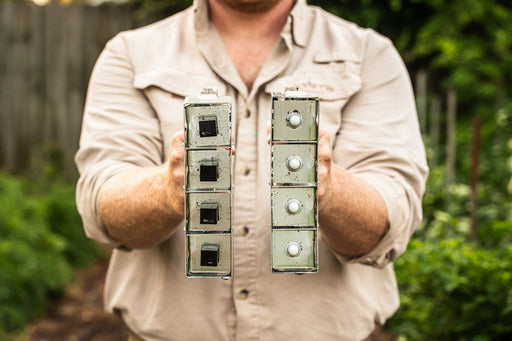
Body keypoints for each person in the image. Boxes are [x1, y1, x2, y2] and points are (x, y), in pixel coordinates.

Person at [75, 0, 428, 339]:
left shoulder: (369, 55)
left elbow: (392, 218)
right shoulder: (131, 55)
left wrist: (329, 189)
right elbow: (102, 206)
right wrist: (168, 190)